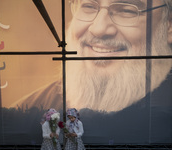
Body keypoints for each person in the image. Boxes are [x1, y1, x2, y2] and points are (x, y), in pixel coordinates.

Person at [11, 0, 172, 144]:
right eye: (88, 5)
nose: (98, 29)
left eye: (126, 10)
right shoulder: (28, 111)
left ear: (169, 25)